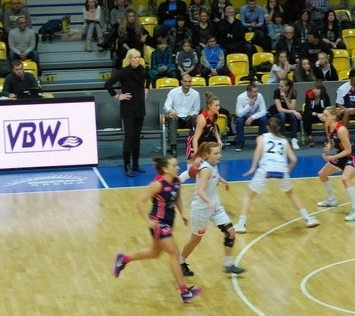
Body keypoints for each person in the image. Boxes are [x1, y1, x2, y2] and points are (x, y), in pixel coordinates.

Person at [112, 156, 200, 303]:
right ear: (165, 169)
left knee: (154, 253)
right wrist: (147, 221)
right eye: (174, 165)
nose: (177, 167)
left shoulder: (177, 181)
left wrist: (183, 212)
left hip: (169, 221)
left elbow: (176, 198)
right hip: (158, 223)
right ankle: (184, 292)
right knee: (174, 253)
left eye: (177, 165)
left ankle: (124, 259)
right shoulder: (157, 184)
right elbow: (140, 201)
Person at [235, 117, 319, 234]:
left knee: (249, 196)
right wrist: (287, 170)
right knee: (291, 194)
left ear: (267, 127)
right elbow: (294, 159)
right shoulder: (284, 141)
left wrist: (253, 167)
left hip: (266, 169)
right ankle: (308, 219)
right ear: (279, 127)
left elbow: (258, 150)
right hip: (281, 169)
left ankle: (241, 224)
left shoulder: (261, 137)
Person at [179, 141, 246, 276]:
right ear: (206, 155)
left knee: (231, 232)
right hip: (201, 209)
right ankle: (180, 262)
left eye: (219, 153)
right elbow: (200, 190)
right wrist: (209, 201)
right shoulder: (205, 169)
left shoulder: (212, 165)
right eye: (216, 153)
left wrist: (222, 180)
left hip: (215, 207)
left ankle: (228, 264)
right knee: (195, 239)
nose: (219, 155)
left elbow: (214, 175)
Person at [104, 49, 151, 177]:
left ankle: (136, 164)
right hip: (128, 108)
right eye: (134, 57)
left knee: (137, 137)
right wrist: (118, 96)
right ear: (129, 59)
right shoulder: (124, 72)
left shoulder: (142, 69)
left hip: (140, 107)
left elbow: (149, 77)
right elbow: (107, 84)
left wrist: (146, 88)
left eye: (139, 57)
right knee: (129, 137)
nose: (137, 59)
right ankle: (127, 166)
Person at [317, 106, 355, 222]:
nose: (323, 117)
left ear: (333, 117)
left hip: (352, 156)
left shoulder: (341, 130)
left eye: (326, 115)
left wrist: (332, 157)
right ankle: (331, 200)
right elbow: (330, 142)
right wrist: (327, 149)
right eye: (323, 114)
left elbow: (348, 150)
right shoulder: (327, 126)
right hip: (341, 156)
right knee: (322, 174)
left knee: (345, 178)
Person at [162, 74, 199, 158]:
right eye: (185, 81)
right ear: (181, 82)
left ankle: (194, 144)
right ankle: (173, 147)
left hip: (188, 118)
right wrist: (171, 110)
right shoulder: (173, 92)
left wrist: (190, 115)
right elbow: (166, 106)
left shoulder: (196, 94)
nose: (187, 84)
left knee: (196, 118)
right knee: (172, 118)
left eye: (189, 82)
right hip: (177, 117)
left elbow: (196, 109)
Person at [186, 91, 222, 161]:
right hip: (193, 141)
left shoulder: (215, 115)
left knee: (205, 163)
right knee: (193, 166)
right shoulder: (202, 119)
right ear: (209, 106)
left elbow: (213, 126)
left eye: (219, 105)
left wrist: (218, 139)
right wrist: (196, 156)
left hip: (203, 140)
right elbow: (195, 139)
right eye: (216, 106)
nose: (218, 107)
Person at [234, 82, 268, 151]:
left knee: (264, 119)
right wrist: (249, 105)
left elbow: (264, 111)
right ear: (248, 92)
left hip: (255, 117)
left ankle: (262, 142)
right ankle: (240, 143)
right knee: (239, 120)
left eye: (257, 91)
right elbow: (239, 114)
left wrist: (252, 117)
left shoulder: (260, 96)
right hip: (244, 117)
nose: (257, 93)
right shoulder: (240, 97)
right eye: (254, 92)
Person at [273, 78, 302, 149]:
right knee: (283, 115)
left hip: (289, 113)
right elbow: (279, 109)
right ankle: (283, 138)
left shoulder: (293, 92)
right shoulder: (277, 92)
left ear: (287, 87)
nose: (279, 88)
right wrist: (293, 111)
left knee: (293, 115)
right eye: (279, 86)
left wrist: (285, 98)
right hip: (278, 114)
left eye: (281, 86)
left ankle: (294, 139)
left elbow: (292, 107)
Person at [303, 81, 331, 147]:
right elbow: (307, 110)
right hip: (313, 115)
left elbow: (328, 107)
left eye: (317, 89)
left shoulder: (325, 96)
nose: (315, 91)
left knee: (329, 118)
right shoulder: (309, 96)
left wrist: (324, 114)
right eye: (313, 89)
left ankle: (328, 138)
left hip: (323, 115)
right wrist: (317, 114)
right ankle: (310, 138)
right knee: (306, 118)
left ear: (321, 90)